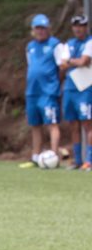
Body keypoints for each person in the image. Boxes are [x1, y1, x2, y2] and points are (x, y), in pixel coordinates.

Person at [25, 13, 62, 167]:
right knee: (35, 124)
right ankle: (35, 157)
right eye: (38, 28)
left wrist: (54, 84)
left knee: (52, 123)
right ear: (33, 30)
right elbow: (31, 67)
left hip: (48, 92)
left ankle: (53, 157)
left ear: (48, 29)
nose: (41, 31)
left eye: (43, 28)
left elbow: (62, 67)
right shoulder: (30, 47)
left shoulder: (55, 44)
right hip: (32, 92)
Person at [59, 14, 92, 170]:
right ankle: (77, 160)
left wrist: (71, 61)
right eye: (76, 26)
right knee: (73, 124)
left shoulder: (90, 42)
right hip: (70, 87)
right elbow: (62, 65)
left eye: (81, 26)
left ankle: (89, 160)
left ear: (86, 27)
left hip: (85, 87)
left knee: (88, 124)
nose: (78, 29)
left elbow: (84, 61)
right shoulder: (69, 44)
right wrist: (73, 62)